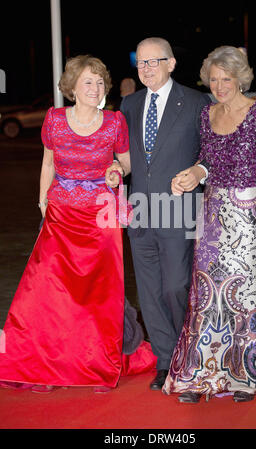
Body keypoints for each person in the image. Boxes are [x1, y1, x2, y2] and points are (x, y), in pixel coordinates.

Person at [0, 55, 156, 393]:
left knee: (98, 294)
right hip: (61, 213)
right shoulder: (54, 119)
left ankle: (97, 364)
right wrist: (43, 204)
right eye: (88, 81)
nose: (95, 87)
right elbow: (47, 164)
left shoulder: (114, 122)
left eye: (100, 82)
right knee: (48, 291)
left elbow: (127, 163)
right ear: (72, 87)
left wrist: (117, 169)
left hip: (101, 217)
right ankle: (43, 366)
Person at [162, 45, 256, 403]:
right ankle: (199, 374)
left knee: (243, 297)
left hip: (246, 215)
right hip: (212, 213)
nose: (219, 85)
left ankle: (244, 375)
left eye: (226, 79)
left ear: (240, 79)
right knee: (205, 295)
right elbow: (207, 161)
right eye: (213, 79)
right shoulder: (208, 113)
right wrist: (192, 174)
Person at [105, 37, 211, 391]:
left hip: (179, 210)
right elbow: (127, 155)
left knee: (177, 286)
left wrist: (199, 171)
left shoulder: (196, 102)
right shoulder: (130, 103)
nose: (147, 68)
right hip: (140, 211)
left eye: (154, 61)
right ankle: (166, 362)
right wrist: (117, 170)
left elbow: (213, 151)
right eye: (141, 63)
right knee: (149, 291)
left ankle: (189, 354)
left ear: (171, 64)